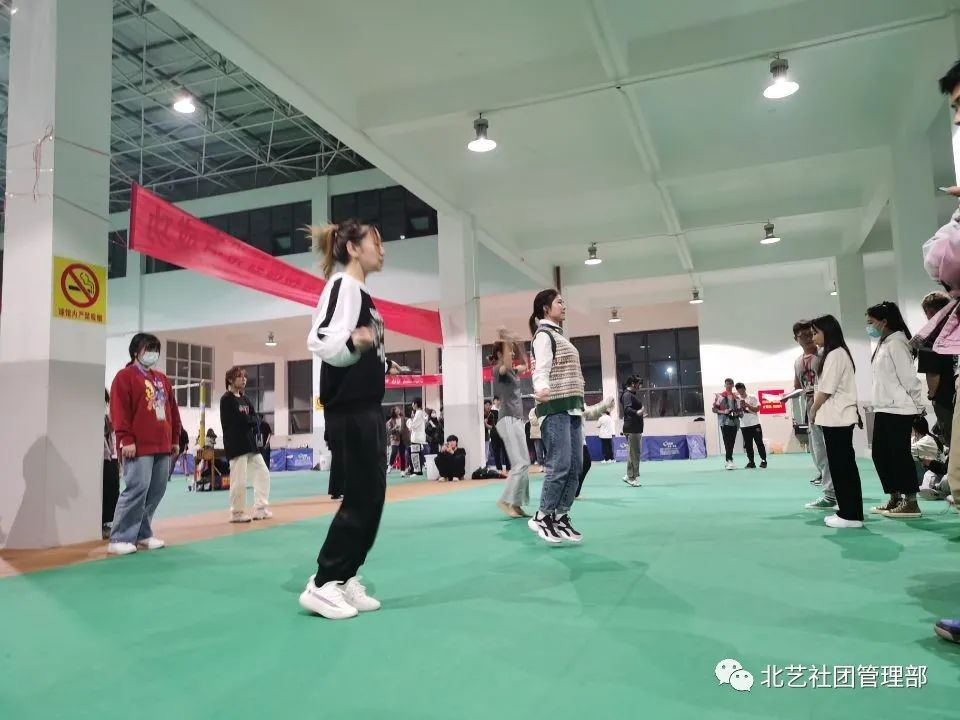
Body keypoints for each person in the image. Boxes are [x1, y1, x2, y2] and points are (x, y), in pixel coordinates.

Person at [298, 219, 401, 620]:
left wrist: (378, 359)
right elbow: (320, 337)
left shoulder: (363, 294)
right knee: (361, 497)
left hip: (367, 407)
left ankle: (344, 576)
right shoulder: (342, 286)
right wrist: (353, 343)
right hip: (350, 409)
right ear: (354, 249)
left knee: (371, 497)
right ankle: (324, 583)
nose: (383, 249)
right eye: (377, 242)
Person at [107, 332, 182, 556]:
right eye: (148, 349)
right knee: (137, 489)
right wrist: (125, 439)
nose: (152, 354)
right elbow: (119, 411)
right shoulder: (125, 377)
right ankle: (120, 537)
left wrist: (175, 438)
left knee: (157, 490)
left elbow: (172, 411)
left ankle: (142, 533)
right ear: (135, 352)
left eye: (155, 350)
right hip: (138, 446)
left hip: (163, 444)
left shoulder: (161, 379)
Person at [528, 288, 585, 545]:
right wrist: (541, 388)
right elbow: (540, 369)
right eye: (559, 302)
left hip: (572, 408)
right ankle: (542, 516)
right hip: (554, 409)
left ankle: (560, 516)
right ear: (545, 308)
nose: (564, 305)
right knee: (559, 466)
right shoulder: (544, 336)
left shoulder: (559, 336)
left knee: (575, 466)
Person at [866, 301, 925, 519]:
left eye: (871, 322)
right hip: (884, 407)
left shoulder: (898, 342)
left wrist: (918, 405)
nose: (869, 326)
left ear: (884, 321)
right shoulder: (884, 343)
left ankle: (911, 502)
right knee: (880, 454)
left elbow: (909, 378)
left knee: (899, 455)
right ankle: (895, 497)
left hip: (900, 408)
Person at [808, 315, 864, 529]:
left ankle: (850, 515)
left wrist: (813, 409)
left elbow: (826, 390)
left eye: (816, 332)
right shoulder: (833, 353)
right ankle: (848, 512)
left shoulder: (835, 354)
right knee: (842, 467)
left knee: (842, 468)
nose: (813, 337)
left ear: (827, 332)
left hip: (837, 419)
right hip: (836, 419)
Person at [221, 366, 272, 523]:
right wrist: (250, 419)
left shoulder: (245, 399)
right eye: (239, 376)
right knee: (239, 480)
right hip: (236, 445)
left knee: (263, 472)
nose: (243, 379)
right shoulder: (226, 399)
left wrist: (250, 419)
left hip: (250, 444)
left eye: (245, 377)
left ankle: (260, 509)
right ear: (230, 380)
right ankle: (237, 513)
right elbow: (239, 420)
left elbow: (254, 418)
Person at [491, 337, 531, 518]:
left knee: (525, 463)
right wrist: (506, 339)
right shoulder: (498, 370)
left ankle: (516, 504)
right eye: (509, 350)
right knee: (519, 463)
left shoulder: (513, 372)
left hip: (517, 419)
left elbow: (526, 366)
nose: (512, 353)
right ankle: (505, 500)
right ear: (500, 354)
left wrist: (520, 346)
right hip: (507, 419)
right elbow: (505, 364)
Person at [918, 291, 955, 445]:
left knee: (953, 440)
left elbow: (933, 373)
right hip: (956, 392)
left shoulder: (931, 337)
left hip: (945, 398)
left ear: (929, 311)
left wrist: (932, 393)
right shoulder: (955, 330)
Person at [913, 416, 948, 500]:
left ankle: (937, 489)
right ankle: (936, 489)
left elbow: (907, 452)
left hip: (939, 472)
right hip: (936, 471)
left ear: (915, 430)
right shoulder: (922, 438)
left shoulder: (927, 440)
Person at [712, 378, 742, 471]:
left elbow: (739, 410)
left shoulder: (736, 397)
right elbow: (714, 409)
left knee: (732, 442)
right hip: (724, 422)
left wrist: (738, 413)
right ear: (725, 385)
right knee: (727, 441)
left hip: (734, 422)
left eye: (730, 384)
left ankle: (729, 460)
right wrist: (723, 411)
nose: (729, 385)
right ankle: (729, 460)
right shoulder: (720, 397)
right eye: (727, 384)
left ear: (733, 385)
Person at [735, 382, 767, 469]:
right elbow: (737, 412)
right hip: (744, 425)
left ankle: (763, 460)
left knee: (759, 443)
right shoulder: (737, 400)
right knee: (748, 445)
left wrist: (747, 405)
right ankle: (751, 462)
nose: (740, 391)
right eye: (738, 390)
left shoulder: (752, 397)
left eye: (741, 389)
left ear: (744, 389)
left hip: (755, 424)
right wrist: (739, 410)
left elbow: (757, 409)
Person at [620, 375, 644, 486]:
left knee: (632, 453)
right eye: (639, 383)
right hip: (632, 429)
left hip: (634, 428)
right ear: (633, 384)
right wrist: (637, 412)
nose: (640, 386)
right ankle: (631, 477)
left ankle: (628, 474)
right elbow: (627, 409)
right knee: (635, 454)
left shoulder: (631, 394)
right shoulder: (627, 395)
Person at [102, 389, 119, 539]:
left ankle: (109, 522)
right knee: (105, 491)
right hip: (101, 458)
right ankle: (103, 523)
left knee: (113, 489)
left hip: (110, 457)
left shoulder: (107, 418)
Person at [487, 396, 509, 471]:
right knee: (496, 451)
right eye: (498, 400)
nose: (499, 401)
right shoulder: (491, 411)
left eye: (500, 400)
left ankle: (508, 467)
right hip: (494, 434)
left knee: (506, 450)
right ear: (494, 401)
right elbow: (488, 423)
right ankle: (499, 468)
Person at [406, 398, 427, 475]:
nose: (412, 405)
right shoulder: (421, 412)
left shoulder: (418, 413)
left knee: (415, 454)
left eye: (413, 403)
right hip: (419, 437)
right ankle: (417, 470)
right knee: (416, 454)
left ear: (415, 404)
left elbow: (413, 426)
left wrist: (409, 421)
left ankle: (417, 471)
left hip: (416, 437)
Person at [387, 406, 405, 473]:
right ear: (394, 412)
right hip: (394, 439)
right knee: (394, 452)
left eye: (398, 409)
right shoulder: (391, 420)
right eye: (396, 410)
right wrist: (394, 428)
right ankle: (390, 466)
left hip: (402, 438)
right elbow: (389, 431)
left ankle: (402, 470)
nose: (398, 410)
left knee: (402, 454)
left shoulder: (403, 419)